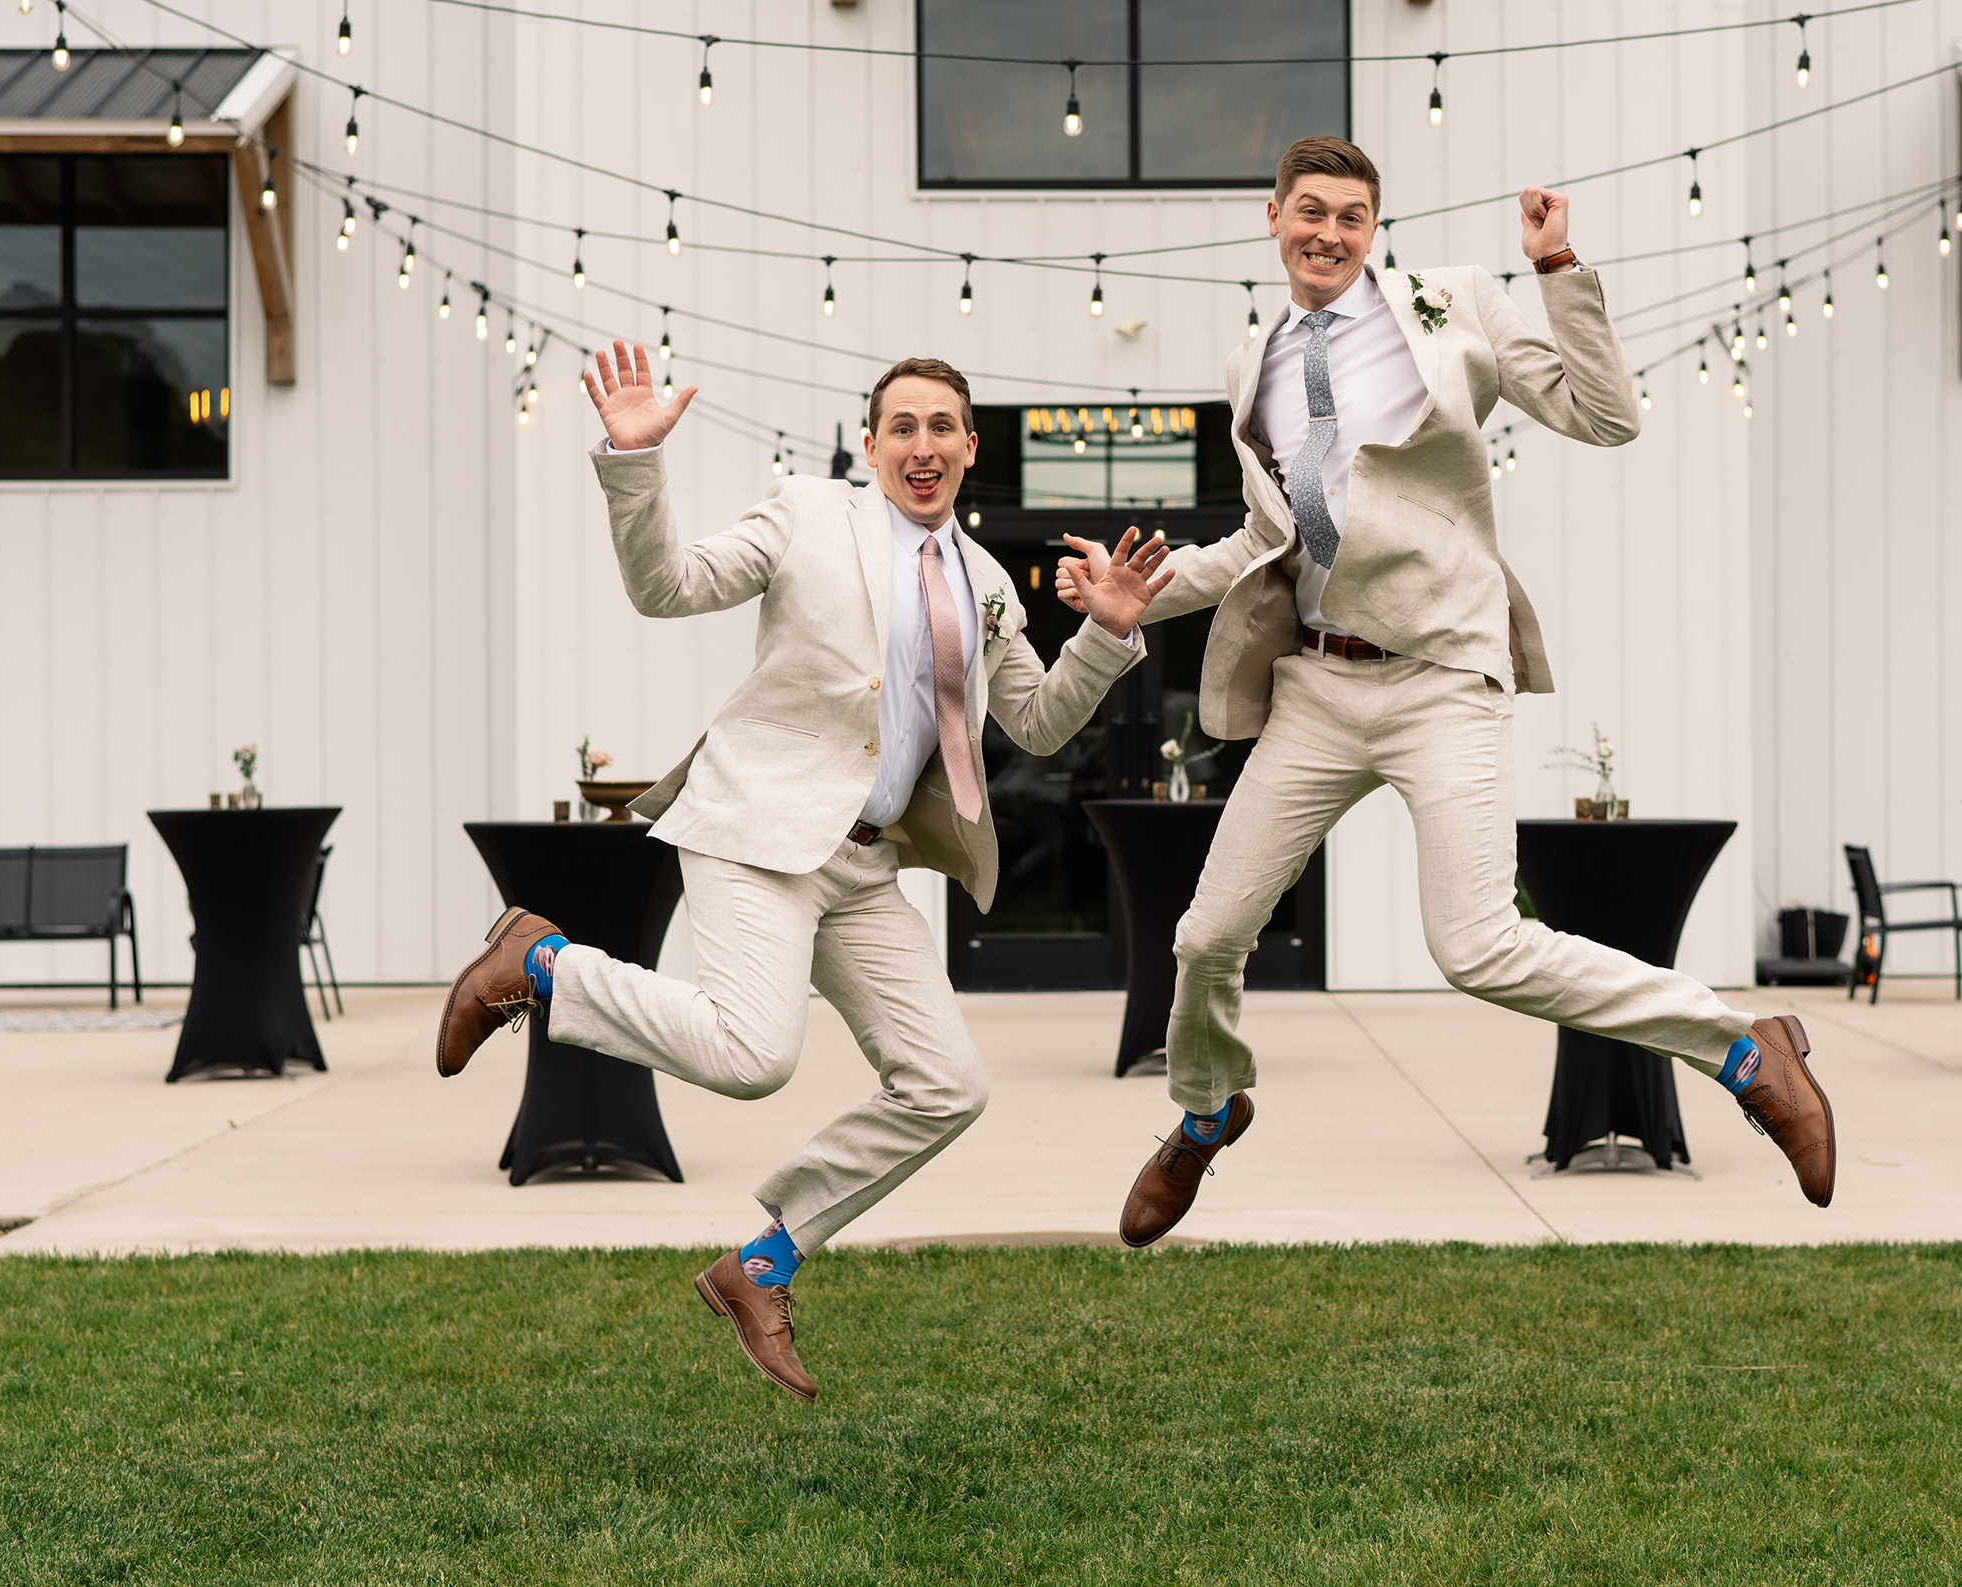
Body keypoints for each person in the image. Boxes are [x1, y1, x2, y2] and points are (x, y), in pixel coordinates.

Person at [1062, 137, 1837, 1244]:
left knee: (1478, 945)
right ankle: (1203, 1112)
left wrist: (1559, 268)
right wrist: (1144, 594)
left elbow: (1605, 414)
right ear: (1272, 217)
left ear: (1374, 230)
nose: (1328, 232)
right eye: (1310, 211)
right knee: (1204, 935)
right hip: (1318, 685)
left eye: (1352, 215)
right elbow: (1262, 538)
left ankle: (1746, 1051)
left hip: (1440, 678)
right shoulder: (1256, 363)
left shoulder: (1451, 304)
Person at [437, 344, 1172, 1400]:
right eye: (902, 426)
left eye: (942, 427)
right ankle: (537, 959)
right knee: (751, 1054)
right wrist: (633, 462)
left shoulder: (986, 581)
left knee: (946, 1085)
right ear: (870, 445)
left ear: (972, 446)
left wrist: (1105, 633)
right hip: (757, 826)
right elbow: (666, 586)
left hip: (866, 867)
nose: (923, 445)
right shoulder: (804, 513)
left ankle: (762, 1264)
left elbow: (1042, 722)